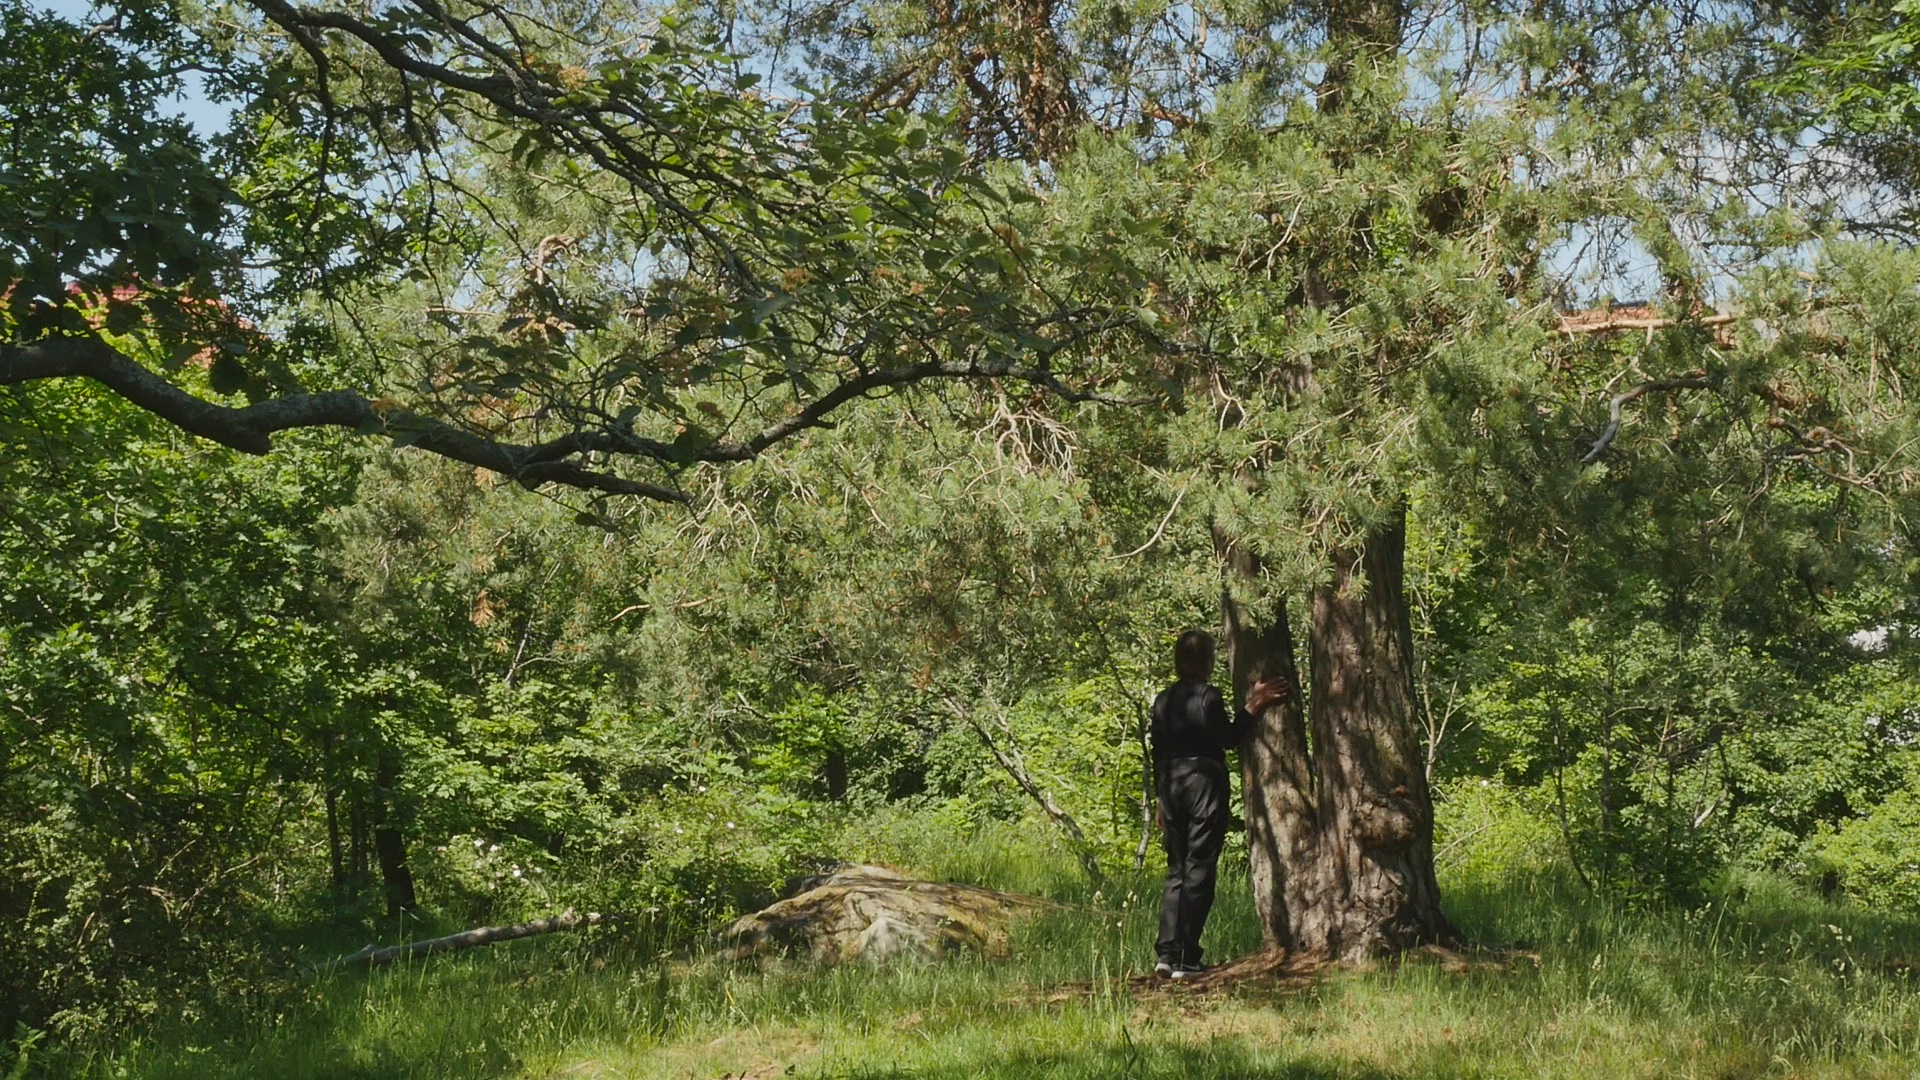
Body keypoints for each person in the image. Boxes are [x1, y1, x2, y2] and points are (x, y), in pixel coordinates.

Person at [1150, 628, 1287, 979]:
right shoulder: (1208, 697)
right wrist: (1254, 705)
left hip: (1170, 784)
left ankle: (1167, 954)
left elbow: (1158, 753)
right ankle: (1186, 958)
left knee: (1177, 868)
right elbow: (1228, 738)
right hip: (1203, 782)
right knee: (1199, 866)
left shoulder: (1162, 701)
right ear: (1208, 661)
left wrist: (1160, 800)